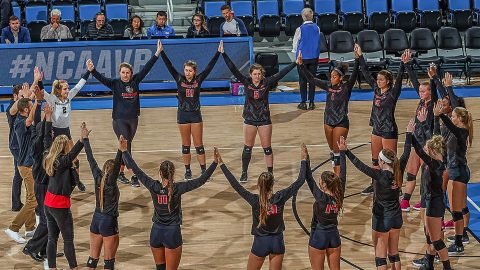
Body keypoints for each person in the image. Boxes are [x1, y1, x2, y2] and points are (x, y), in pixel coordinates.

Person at [121, 137, 218, 270]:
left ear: (160, 173)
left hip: (156, 232)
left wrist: (125, 150)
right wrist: (214, 163)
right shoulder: (178, 188)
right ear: (173, 173)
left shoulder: (153, 186)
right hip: (172, 233)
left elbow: (136, 169)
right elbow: (201, 180)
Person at [339, 120, 415, 270]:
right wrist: (408, 134)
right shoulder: (399, 169)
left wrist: (345, 151)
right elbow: (406, 152)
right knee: (394, 254)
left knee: (381, 258)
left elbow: (359, 165)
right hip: (396, 216)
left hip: (382, 217)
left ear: (381, 161)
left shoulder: (379, 175)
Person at [218, 144, 307, 270]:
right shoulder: (280, 197)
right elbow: (300, 180)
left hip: (260, 243)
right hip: (277, 242)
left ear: (259, 185)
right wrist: (304, 159)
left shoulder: (255, 200)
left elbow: (235, 185)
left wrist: (221, 164)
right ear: (272, 184)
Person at [86, 40, 162, 187]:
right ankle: (134, 175)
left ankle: (119, 173)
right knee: (126, 146)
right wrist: (92, 70)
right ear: (119, 73)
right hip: (119, 120)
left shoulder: (135, 81)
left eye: (127, 73)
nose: (125, 75)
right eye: (123, 72)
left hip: (133, 119)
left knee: (126, 146)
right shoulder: (115, 83)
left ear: (131, 73)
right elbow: (101, 78)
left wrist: (157, 54)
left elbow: (147, 68)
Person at [221, 46, 296, 182]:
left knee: (267, 148)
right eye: (254, 74)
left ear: (262, 75)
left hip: (264, 120)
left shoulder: (266, 83)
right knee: (247, 148)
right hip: (249, 119)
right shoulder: (246, 82)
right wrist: (223, 54)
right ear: (250, 75)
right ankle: (244, 172)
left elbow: (282, 73)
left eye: (259, 74)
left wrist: (295, 63)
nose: (257, 76)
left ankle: (270, 173)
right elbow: (233, 69)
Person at [159, 40, 221, 180]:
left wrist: (218, 53)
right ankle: (188, 171)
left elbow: (210, 67)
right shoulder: (179, 78)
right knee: (186, 145)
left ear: (194, 72)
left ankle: (204, 171)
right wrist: (161, 52)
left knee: (199, 145)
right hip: (182, 115)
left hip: (195, 115)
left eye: (190, 71)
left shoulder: (198, 80)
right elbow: (169, 66)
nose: (187, 73)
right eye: (186, 70)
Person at [297, 46, 359, 176]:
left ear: (340, 78)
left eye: (334, 76)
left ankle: (338, 179)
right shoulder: (328, 85)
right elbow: (311, 79)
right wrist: (302, 65)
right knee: (333, 151)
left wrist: (357, 58)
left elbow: (354, 74)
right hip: (328, 121)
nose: (332, 78)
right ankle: (335, 172)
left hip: (341, 121)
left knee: (337, 152)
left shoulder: (346, 87)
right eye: (331, 76)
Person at [357, 47, 407, 196]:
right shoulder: (376, 90)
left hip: (389, 130)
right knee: (375, 160)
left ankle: (396, 187)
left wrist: (403, 64)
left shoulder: (393, 92)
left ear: (388, 81)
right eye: (377, 79)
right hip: (377, 129)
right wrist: (360, 56)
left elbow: (399, 78)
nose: (378, 82)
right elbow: (365, 73)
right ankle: (375, 184)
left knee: (391, 161)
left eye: (381, 80)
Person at [43, 122, 90, 270]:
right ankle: (74, 268)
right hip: (60, 205)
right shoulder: (62, 161)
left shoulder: (49, 158)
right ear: (64, 147)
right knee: (68, 240)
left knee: (52, 238)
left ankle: (52, 267)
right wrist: (82, 140)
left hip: (48, 202)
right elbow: (72, 154)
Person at [23, 103, 66, 262]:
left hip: (45, 185)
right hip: (42, 186)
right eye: (51, 131)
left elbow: (39, 129)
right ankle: (31, 247)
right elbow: (45, 136)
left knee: (51, 220)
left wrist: (42, 112)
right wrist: (47, 118)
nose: (52, 133)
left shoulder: (38, 140)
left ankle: (46, 249)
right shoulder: (40, 145)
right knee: (48, 219)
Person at [4, 82, 43, 244]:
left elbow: (29, 113)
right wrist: (38, 103)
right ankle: (13, 228)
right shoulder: (20, 122)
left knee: (30, 197)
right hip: (26, 165)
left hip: (27, 163)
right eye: (29, 104)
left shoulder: (21, 117)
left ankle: (30, 228)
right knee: (33, 200)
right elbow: (30, 119)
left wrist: (33, 95)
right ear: (25, 110)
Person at [40, 66, 90, 191]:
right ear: (58, 90)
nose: (68, 90)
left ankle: (76, 181)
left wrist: (88, 71)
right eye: (65, 88)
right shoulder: (53, 99)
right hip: (55, 132)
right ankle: (49, 180)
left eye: (68, 88)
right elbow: (42, 92)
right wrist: (39, 80)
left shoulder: (69, 97)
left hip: (66, 131)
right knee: (54, 158)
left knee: (75, 158)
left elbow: (79, 86)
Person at [433, 102, 473, 255]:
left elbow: (451, 126)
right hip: (456, 171)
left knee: (456, 210)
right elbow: (438, 135)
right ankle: (461, 236)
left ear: (460, 119)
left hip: (458, 172)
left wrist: (441, 114)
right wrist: (437, 118)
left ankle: (458, 243)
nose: (452, 117)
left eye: (454, 116)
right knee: (459, 208)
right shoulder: (452, 131)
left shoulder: (462, 131)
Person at [400, 53, 439, 212]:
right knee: (411, 172)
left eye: (424, 91)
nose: (421, 93)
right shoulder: (422, 101)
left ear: (430, 92)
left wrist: (433, 77)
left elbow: (434, 90)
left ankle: (424, 200)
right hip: (417, 141)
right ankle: (405, 201)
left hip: (427, 144)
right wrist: (407, 64)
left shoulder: (433, 104)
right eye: (420, 91)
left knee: (425, 175)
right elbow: (416, 83)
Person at [410, 134, 453, 270]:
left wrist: (410, 134)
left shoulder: (436, 165)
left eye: (428, 150)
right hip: (431, 202)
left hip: (435, 204)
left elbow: (419, 151)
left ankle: (447, 267)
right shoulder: (438, 161)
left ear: (433, 152)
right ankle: (429, 264)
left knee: (436, 240)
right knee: (431, 237)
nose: (426, 152)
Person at [84, 134, 122, 270]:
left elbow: (90, 158)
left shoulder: (97, 176)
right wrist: (120, 150)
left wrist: (85, 139)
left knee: (92, 260)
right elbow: (118, 164)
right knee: (108, 262)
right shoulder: (111, 182)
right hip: (108, 221)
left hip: (96, 219)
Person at [306, 148, 346, 270]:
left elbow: (309, 179)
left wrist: (305, 160)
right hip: (334, 236)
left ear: (323, 184)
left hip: (319, 235)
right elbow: (343, 175)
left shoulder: (321, 197)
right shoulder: (339, 194)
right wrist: (342, 153)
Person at [292, 8, 321, 110]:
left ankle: (303, 102)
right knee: (312, 79)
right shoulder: (317, 28)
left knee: (303, 80)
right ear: (312, 16)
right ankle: (312, 102)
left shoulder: (299, 29)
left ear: (303, 17)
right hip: (314, 57)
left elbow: (295, 44)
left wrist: (296, 53)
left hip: (302, 58)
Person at [6, 84, 25, 212]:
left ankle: (16, 204)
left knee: (18, 174)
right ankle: (29, 203)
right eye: (21, 95)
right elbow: (13, 110)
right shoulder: (11, 108)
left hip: (20, 144)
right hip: (16, 146)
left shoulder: (22, 106)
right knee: (26, 172)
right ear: (15, 96)